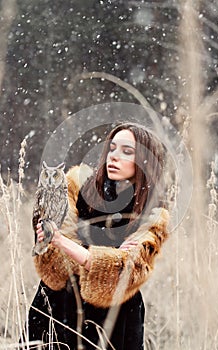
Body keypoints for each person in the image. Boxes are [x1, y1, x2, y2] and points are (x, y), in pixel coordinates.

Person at [23, 122, 169, 350]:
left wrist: (66, 243)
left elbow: (121, 273)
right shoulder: (76, 188)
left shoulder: (153, 216)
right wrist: (99, 255)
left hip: (114, 319)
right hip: (58, 306)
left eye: (127, 152)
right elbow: (51, 258)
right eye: (112, 148)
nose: (114, 156)